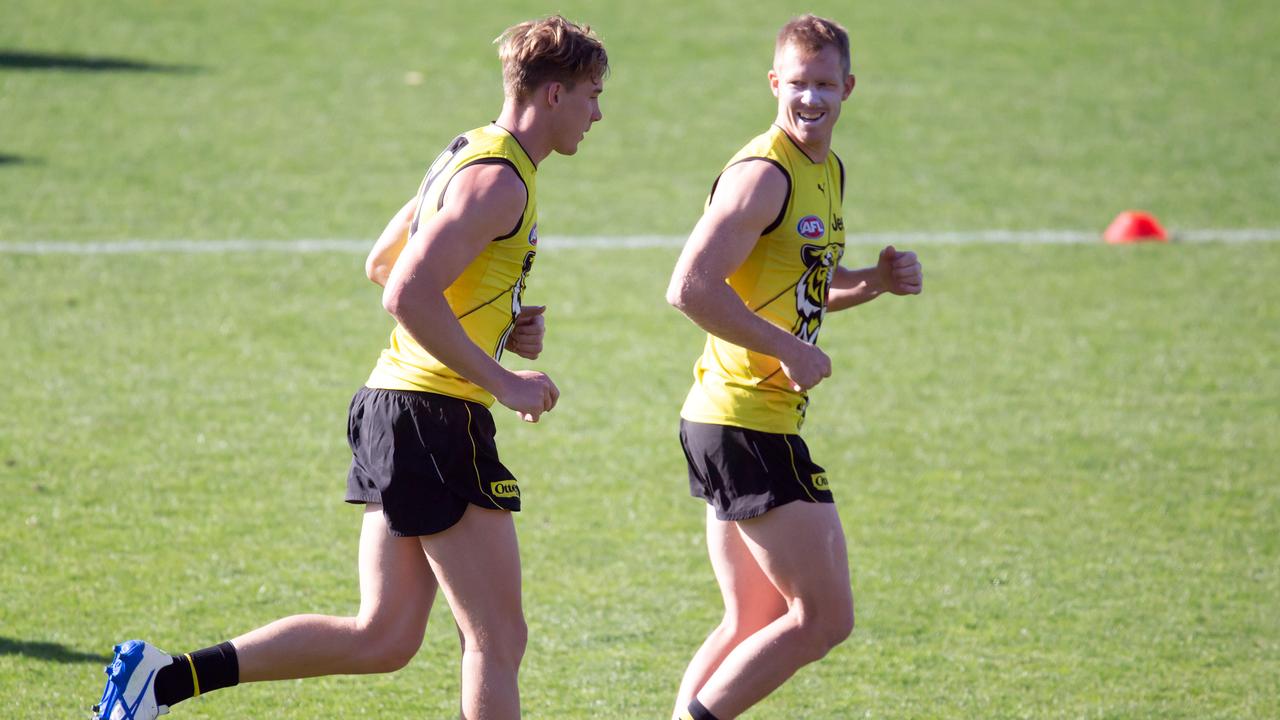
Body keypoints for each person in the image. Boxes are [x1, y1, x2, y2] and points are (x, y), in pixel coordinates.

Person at [92, 16, 607, 720]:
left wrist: (496, 323)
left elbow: (382, 260)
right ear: (553, 96)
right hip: (433, 416)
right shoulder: (500, 182)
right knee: (497, 636)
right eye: (591, 95)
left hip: (398, 406)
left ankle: (164, 680)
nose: (597, 113)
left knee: (385, 636)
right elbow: (403, 292)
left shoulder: (466, 152)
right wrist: (503, 380)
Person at [665, 15, 922, 720]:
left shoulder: (825, 169)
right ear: (775, 83)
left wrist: (875, 280)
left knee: (750, 622)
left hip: (737, 419)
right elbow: (688, 288)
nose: (811, 99)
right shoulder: (762, 175)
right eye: (798, 84)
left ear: (849, 87)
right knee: (823, 618)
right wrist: (788, 348)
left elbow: (809, 284)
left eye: (825, 85)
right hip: (745, 421)